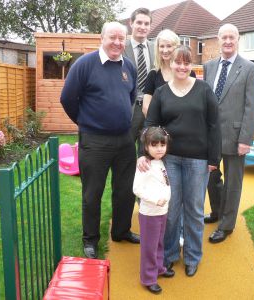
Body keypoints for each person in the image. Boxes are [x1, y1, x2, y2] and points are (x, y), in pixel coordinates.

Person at [138, 45, 221, 277]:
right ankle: (170, 255)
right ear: (170, 64)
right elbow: (150, 125)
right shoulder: (162, 93)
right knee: (171, 210)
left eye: (186, 63)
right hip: (170, 160)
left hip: (198, 160)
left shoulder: (204, 90)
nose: (182, 67)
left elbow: (215, 125)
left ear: (191, 64)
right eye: (178, 62)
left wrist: (214, 158)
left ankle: (193, 256)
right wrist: (143, 154)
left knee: (194, 210)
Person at [60, 21, 140, 260]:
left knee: (126, 190)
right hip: (94, 141)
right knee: (92, 193)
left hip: (125, 140)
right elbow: (67, 99)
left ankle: (121, 230)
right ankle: (90, 240)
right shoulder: (85, 64)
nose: (117, 42)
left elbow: (131, 96)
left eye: (121, 38)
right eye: (112, 37)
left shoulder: (129, 67)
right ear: (102, 38)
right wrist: (86, 121)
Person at [203, 23, 254, 243]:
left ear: (238, 40)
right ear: (218, 40)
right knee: (211, 177)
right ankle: (217, 211)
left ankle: (226, 225)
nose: (227, 41)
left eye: (232, 37)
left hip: (236, 136)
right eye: (224, 37)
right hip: (210, 136)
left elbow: (252, 106)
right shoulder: (208, 67)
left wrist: (245, 139)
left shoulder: (249, 68)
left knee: (233, 182)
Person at [133, 127, 174, 294]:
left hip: (161, 212)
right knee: (149, 247)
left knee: (158, 243)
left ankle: (158, 268)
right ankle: (148, 278)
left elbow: (165, 184)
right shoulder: (145, 165)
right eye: (154, 145)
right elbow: (137, 188)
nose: (159, 148)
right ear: (146, 147)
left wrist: (164, 201)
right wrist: (155, 200)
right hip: (150, 213)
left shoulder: (160, 162)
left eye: (162, 145)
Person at [142, 29, 196, 116]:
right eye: (162, 46)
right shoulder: (153, 74)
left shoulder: (188, 73)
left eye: (169, 46)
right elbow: (146, 108)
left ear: (176, 47)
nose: (165, 50)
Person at [124, 7, 155, 143]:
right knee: (125, 152)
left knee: (149, 152)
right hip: (128, 108)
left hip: (151, 109)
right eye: (139, 22)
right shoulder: (121, 47)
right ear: (131, 23)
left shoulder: (156, 48)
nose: (143, 27)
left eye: (146, 24)